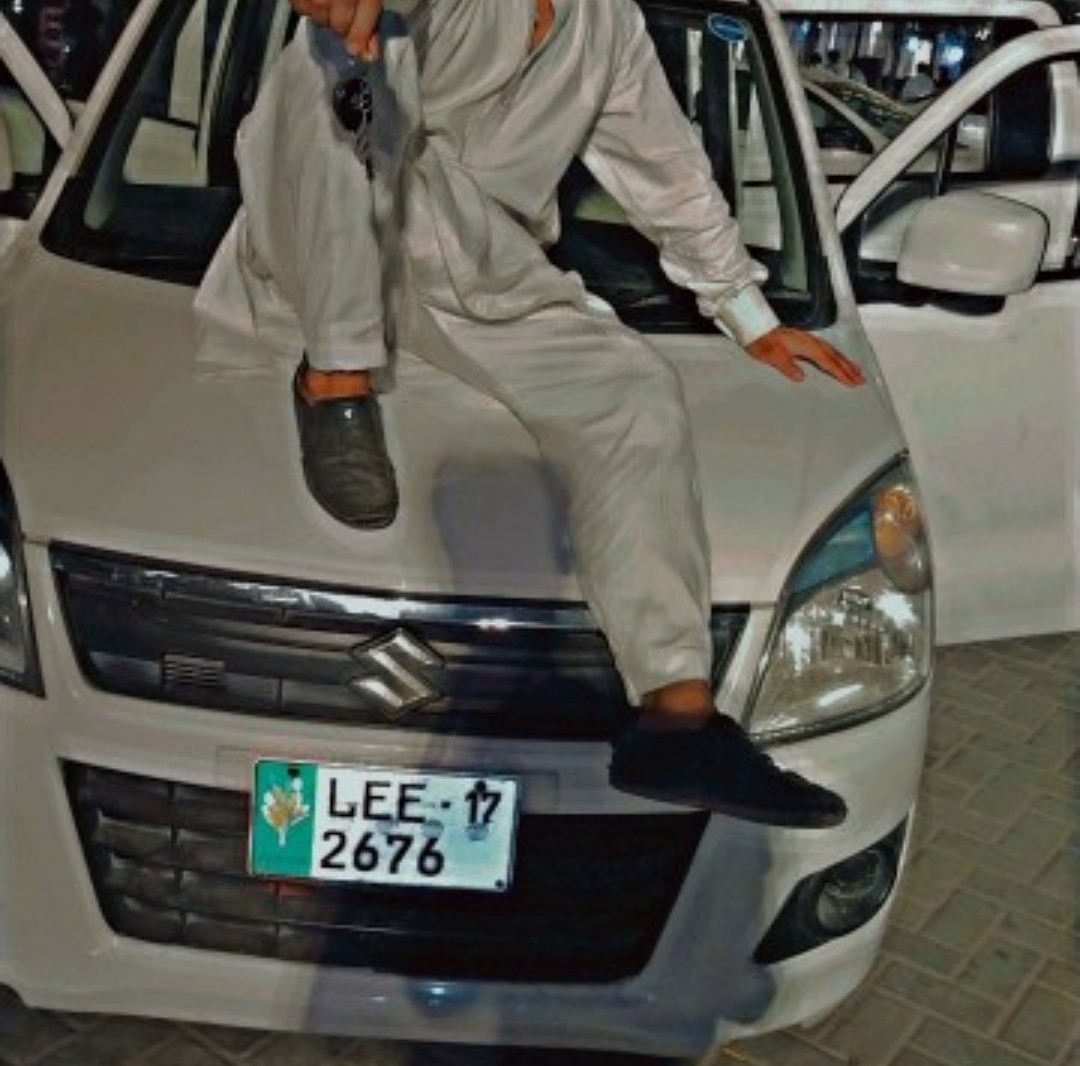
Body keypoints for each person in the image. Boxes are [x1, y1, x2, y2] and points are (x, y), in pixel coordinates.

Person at [198, 0, 865, 828]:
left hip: (484, 277)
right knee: (333, 63)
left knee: (636, 391)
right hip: (326, 248)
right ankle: (334, 380)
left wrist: (748, 314)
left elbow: (665, 167)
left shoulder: (609, 29)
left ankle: (676, 720)